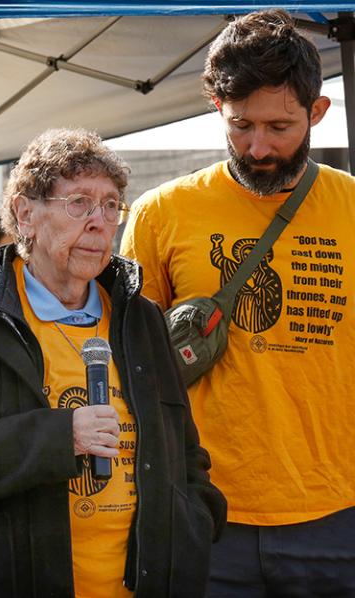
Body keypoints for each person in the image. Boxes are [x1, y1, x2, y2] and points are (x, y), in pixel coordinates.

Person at [0, 128, 226, 598]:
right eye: (79, 202)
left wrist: (192, 524)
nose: (99, 222)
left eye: (111, 206)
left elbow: (185, 454)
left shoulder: (141, 319)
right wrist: (58, 437)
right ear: (26, 213)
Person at [121, 10, 355, 597]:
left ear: (317, 114)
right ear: (216, 111)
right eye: (240, 124)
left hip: (338, 512)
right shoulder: (160, 213)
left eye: (280, 126)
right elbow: (132, 361)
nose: (259, 147)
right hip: (204, 509)